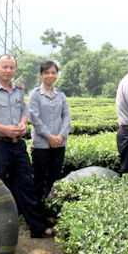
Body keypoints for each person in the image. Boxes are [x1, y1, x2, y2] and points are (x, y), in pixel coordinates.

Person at [0, 54, 53, 238]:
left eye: (12, 67)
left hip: (17, 146)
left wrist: (22, 124)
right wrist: (5, 129)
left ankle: (38, 228)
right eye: (5, 67)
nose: (8, 71)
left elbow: (24, 112)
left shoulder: (18, 90)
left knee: (27, 185)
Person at [28, 60, 71, 201]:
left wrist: (60, 136)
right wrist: (50, 137)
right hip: (41, 145)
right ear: (41, 74)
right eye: (47, 72)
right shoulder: (35, 95)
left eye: (53, 72)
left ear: (57, 75)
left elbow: (67, 117)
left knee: (55, 179)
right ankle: (37, 212)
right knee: (39, 179)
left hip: (59, 144)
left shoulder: (60, 95)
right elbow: (35, 119)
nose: (50, 76)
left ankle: (51, 210)